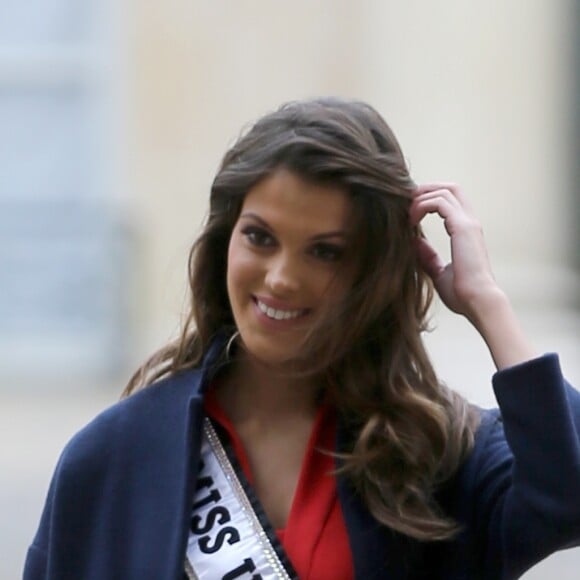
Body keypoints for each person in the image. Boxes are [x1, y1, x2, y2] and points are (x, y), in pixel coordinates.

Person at [24, 98, 580, 580]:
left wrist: (486, 302)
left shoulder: (435, 455)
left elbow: (567, 498)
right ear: (226, 241)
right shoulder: (117, 457)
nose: (282, 277)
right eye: (260, 237)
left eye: (325, 251)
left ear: (372, 272)